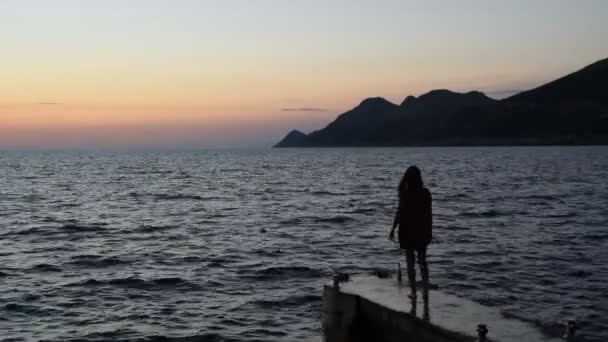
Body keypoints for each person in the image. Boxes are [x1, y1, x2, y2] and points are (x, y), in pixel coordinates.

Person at [389, 165, 432, 302]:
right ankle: (425, 291)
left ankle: (413, 292)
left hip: (407, 230)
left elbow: (399, 213)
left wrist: (392, 229)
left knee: (410, 263)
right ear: (419, 178)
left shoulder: (404, 193)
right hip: (422, 231)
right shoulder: (425, 193)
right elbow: (428, 216)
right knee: (422, 262)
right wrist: (429, 233)